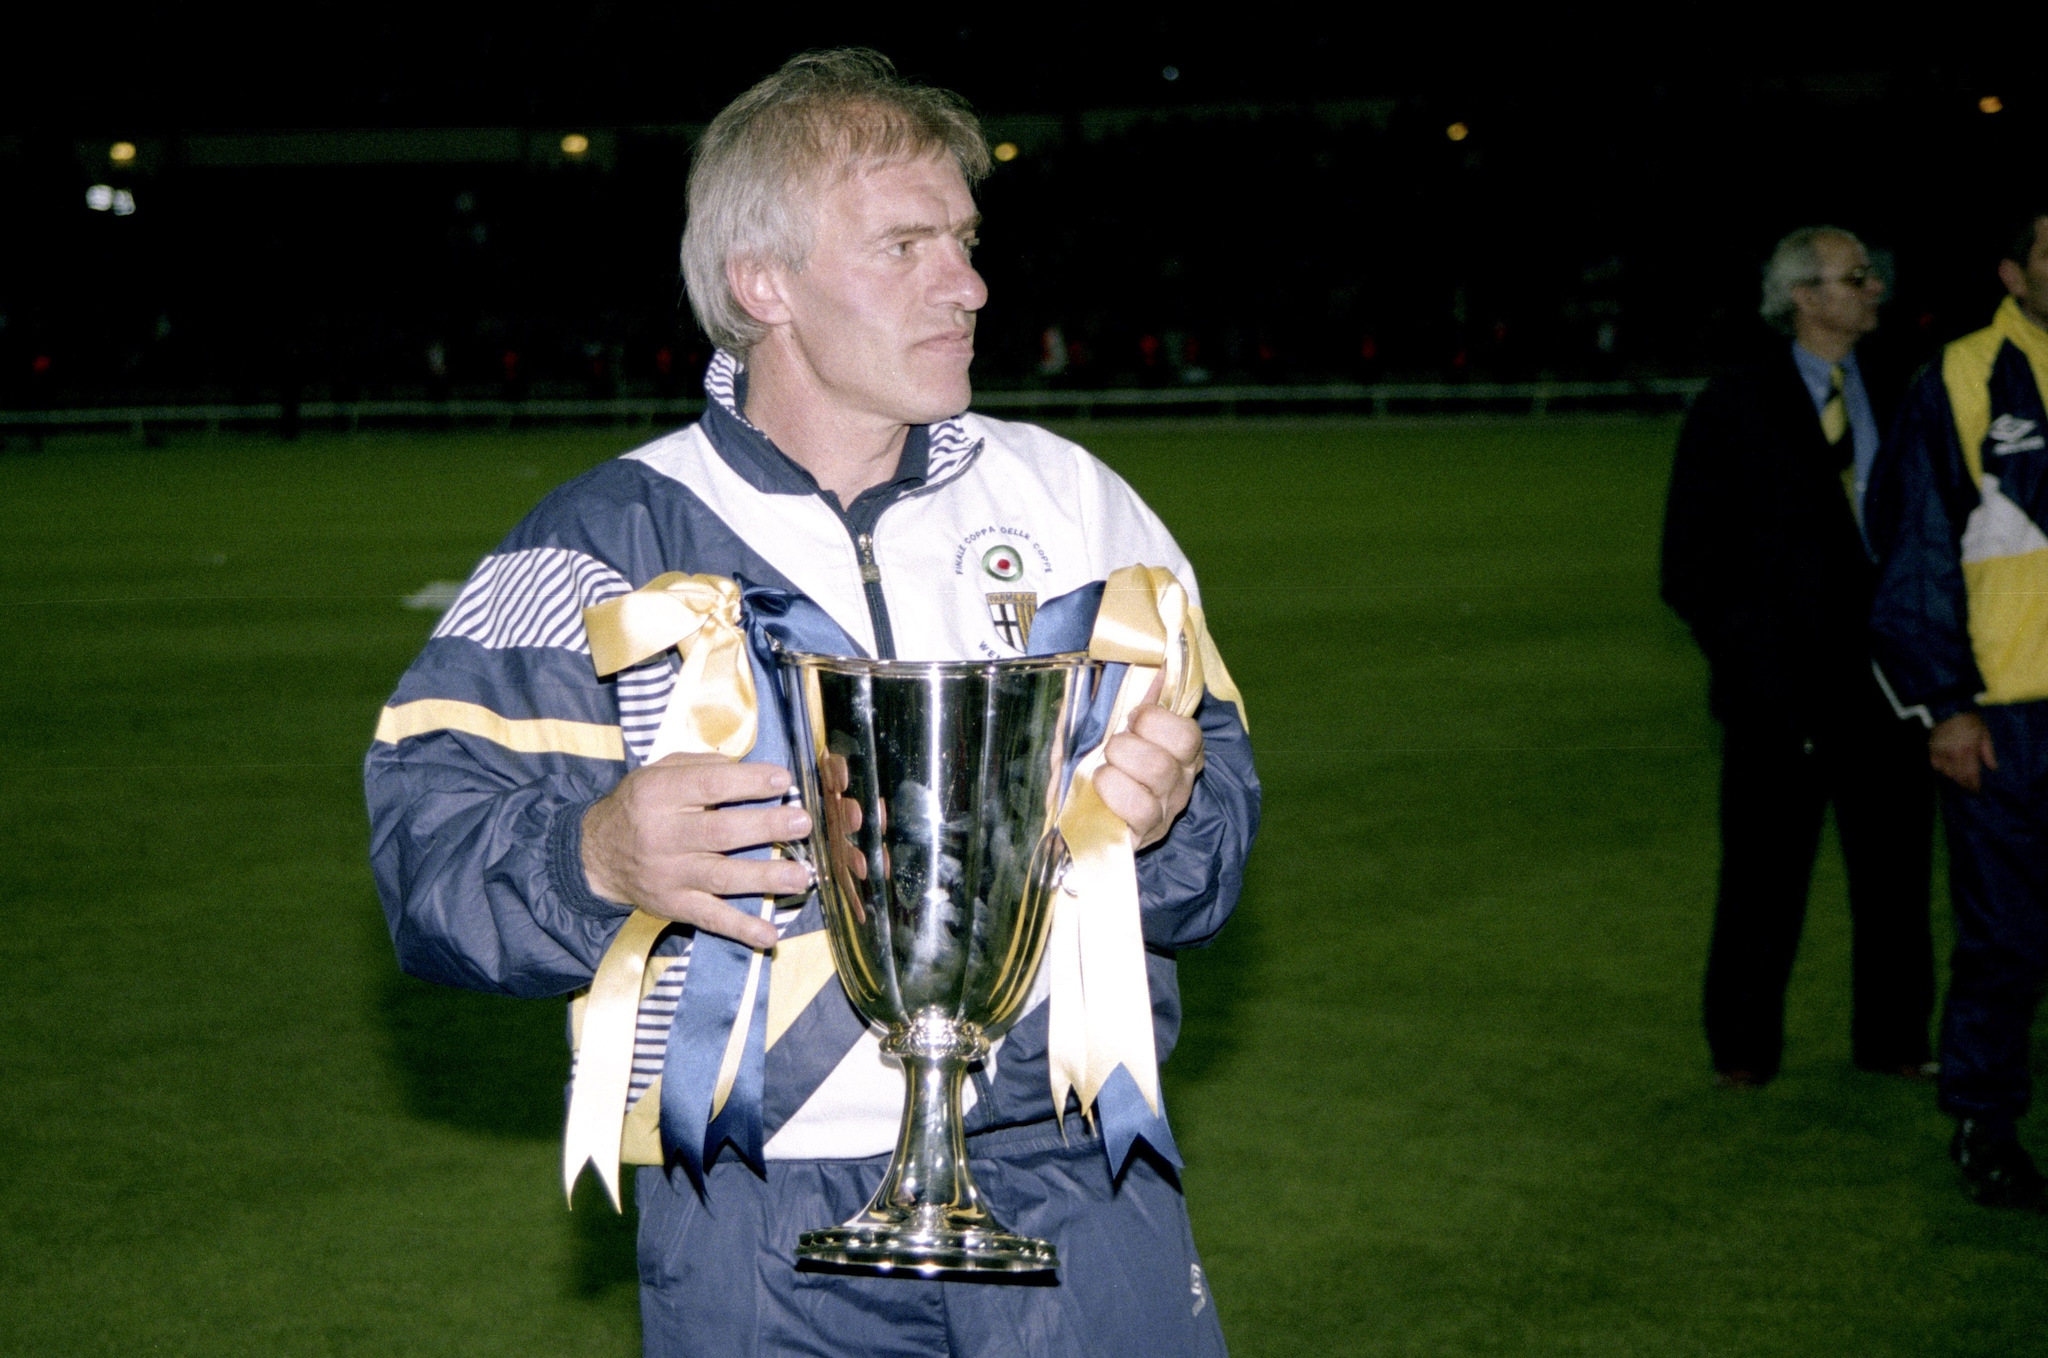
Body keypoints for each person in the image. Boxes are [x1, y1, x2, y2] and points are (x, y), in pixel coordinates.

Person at [363, 49, 1260, 1353]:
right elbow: (424, 852)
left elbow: (1221, 820)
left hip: (1074, 1174)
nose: (968, 282)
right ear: (762, 281)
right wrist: (590, 854)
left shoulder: (1080, 510)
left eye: (962, 237)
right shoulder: (597, 542)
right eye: (905, 243)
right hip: (751, 1216)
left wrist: (1166, 823)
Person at [1661, 225, 1935, 1089]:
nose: (1874, 290)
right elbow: (1691, 565)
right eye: (1856, 278)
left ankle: (1894, 1042)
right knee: (1763, 882)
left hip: (1893, 687)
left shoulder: (1904, 391)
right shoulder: (1733, 404)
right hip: (1776, 698)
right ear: (1804, 298)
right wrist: (1765, 671)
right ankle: (1742, 1053)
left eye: (1873, 276)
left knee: (1894, 880)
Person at [1866, 208, 2048, 1213]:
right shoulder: (1962, 376)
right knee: (2006, 936)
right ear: (2013, 274)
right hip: (2007, 711)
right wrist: (1943, 705)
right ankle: (1983, 1124)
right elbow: (1915, 553)